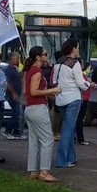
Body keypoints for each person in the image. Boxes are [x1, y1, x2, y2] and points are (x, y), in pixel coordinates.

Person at [23, 46, 61, 182]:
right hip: (38, 108)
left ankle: (33, 170)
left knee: (34, 141)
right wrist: (52, 90)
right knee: (47, 140)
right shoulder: (37, 72)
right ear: (38, 57)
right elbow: (34, 91)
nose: (47, 56)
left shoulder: (28, 71)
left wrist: (48, 93)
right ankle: (44, 171)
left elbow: (26, 91)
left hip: (30, 108)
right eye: (45, 54)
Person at [53, 40, 90, 169]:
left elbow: (54, 81)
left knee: (68, 128)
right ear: (73, 49)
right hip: (73, 98)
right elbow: (81, 83)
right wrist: (89, 85)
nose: (78, 50)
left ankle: (71, 157)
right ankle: (62, 160)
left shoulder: (58, 63)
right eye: (78, 47)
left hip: (60, 99)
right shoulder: (75, 64)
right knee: (68, 130)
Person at [2, 52, 25, 140]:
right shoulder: (8, 69)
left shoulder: (15, 68)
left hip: (18, 92)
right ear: (11, 59)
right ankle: (8, 130)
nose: (18, 60)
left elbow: (19, 76)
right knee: (16, 112)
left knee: (18, 112)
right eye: (16, 58)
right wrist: (13, 93)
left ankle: (16, 131)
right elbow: (7, 82)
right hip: (12, 93)